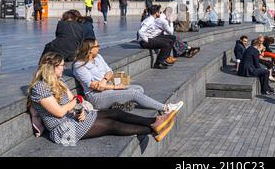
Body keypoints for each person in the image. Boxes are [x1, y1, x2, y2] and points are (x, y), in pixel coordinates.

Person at [27, 52, 176, 145]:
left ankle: (154, 122)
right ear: (51, 68)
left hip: (72, 119)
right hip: (63, 131)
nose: (63, 67)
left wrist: (80, 111)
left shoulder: (59, 82)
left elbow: (76, 100)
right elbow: (59, 112)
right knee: (110, 125)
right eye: (60, 65)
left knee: (114, 113)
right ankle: (151, 129)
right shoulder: (39, 88)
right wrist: (73, 104)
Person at [73, 39, 184, 114]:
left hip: (107, 88)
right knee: (133, 93)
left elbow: (110, 72)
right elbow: (95, 86)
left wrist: (104, 80)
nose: (99, 48)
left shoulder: (98, 57)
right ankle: (166, 108)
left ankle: (117, 106)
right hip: (96, 97)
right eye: (97, 46)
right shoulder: (79, 65)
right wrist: (115, 87)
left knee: (139, 89)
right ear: (90, 49)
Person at [138, 5, 175, 69]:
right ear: (156, 13)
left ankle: (164, 59)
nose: (160, 13)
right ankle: (158, 63)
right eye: (159, 12)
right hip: (145, 42)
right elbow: (140, 32)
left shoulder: (153, 19)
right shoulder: (149, 20)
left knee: (171, 40)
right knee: (166, 44)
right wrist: (147, 40)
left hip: (151, 38)